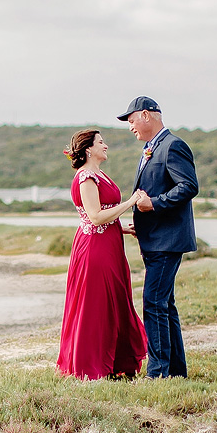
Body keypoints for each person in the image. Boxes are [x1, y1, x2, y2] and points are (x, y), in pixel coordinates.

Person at [56, 128, 148, 380]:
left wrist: (122, 228)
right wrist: (130, 203)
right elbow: (95, 217)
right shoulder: (85, 177)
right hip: (94, 249)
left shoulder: (99, 174)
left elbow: (104, 215)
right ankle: (90, 366)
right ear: (88, 150)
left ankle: (118, 363)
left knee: (116, 300)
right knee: (96, 305)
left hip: (111, 244)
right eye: (101, 142)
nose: (105, 145)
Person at [119, 96, 198, 378]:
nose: (130, 127)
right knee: (165, 304)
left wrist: (154, 203)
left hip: (168, 240)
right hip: (152, 238)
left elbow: (188, 186)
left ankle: (158, 373)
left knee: (153, 302)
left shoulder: (173, 145)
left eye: (131, 121)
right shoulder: (149, 148)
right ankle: (176, 372)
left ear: (146, 115)